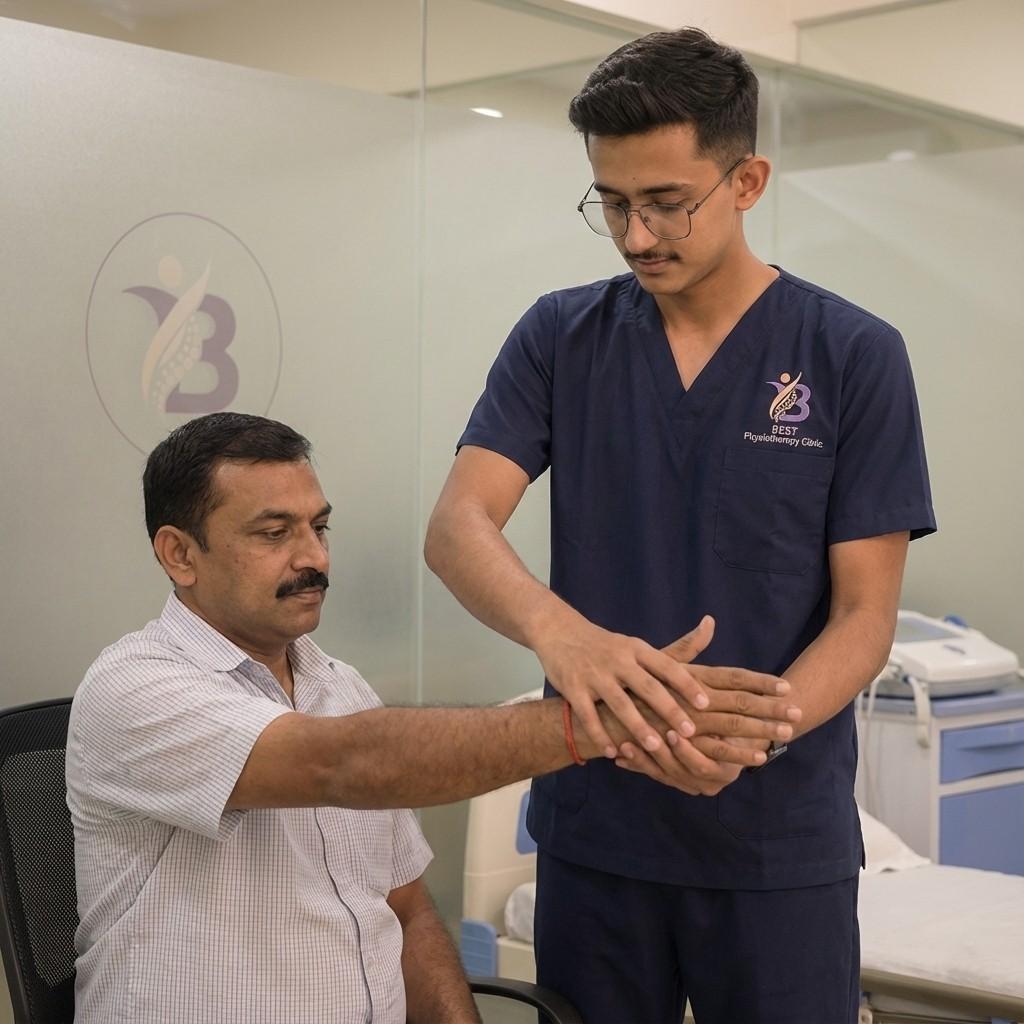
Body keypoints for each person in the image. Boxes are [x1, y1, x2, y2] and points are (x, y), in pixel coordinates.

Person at [424, 26, 936, 1024]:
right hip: (598, 831)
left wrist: (751, 730)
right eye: (611, 203)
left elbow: (865, 617)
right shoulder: (559, 338)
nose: (636, 236)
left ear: (746, 181)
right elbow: (457, 526)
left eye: (666, 202)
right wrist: (562, 636)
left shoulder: (850, 356)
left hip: (773, 842)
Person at [67, 411, 796, 1024]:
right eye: (273, 533)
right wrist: (598, 720)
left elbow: (408, 910)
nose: (314, 556)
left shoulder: (339, 687)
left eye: (319, 527)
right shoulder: (133, 689)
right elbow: (342, 764)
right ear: (179, 554)